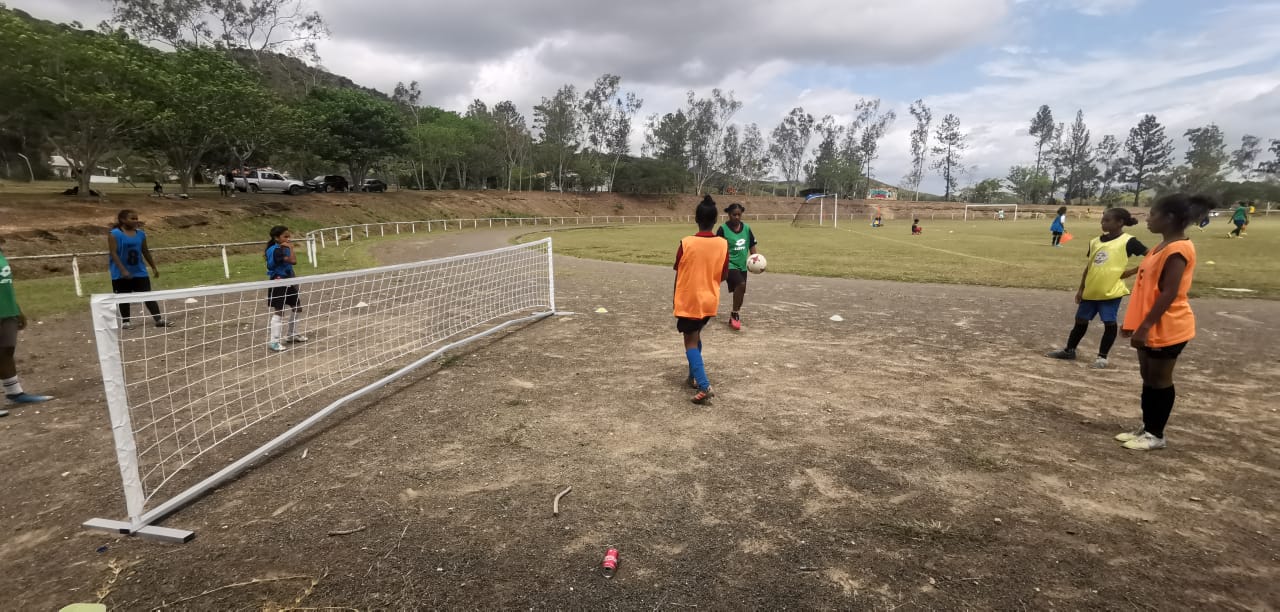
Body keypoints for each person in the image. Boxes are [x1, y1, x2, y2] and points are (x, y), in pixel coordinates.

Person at [1116, 193, 1215, 451]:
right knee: (1147, 376)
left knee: (1159, 379)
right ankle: (1148, 426)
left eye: (1153, 214)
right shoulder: (1161, 247)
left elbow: (1169, 292)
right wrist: (1133, 322)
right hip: (1149, 323)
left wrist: (1146, 326)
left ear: (1169, 218)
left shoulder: (1178, 249)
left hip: (1168, 325)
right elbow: (1145, 285)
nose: (1147, 219)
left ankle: (1156, 434)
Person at [1046, 208, 1148, 369]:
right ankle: (1069, 350)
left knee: (1109, 322)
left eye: (1107, 220)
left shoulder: (1129, 241)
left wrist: (1130, 272)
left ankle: (1102, 357)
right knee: (1080, 320)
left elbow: (1150, 256)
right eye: (1102, 220)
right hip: (1091, 290)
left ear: (1120, 222)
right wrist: (1081, 289)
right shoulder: (1095, 241)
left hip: (1110, 292)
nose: (1103, 223)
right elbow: (1089, 266)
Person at [674, 196, 728, 405]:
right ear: (715, 220)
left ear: (696, 218)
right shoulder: (722, 244)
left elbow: (678, 269)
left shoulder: (686, 243)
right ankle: (693, 376)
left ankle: (704, 385)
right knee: (695, 336)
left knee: (689, 341)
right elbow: (723, 274)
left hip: (689, 300)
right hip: (709, 299)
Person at [0, 244, 53, 415]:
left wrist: (17, 309)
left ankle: (14, 392)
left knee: (7, 351)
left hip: (7, 310)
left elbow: (6, 285)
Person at [107, 210, 171, 330]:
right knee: (123, 297)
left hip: (139, 271)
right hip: (121, 273)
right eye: (132, 219)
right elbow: (113, 253)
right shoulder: (114, 234)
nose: (136, 221)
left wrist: (153, 267)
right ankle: (126, 322)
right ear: (122, 220)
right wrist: (123, 270)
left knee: (147, 295)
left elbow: (145, 251)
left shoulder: (140, 234)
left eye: (137, 218)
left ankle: (159, 320)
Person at [715, 202, 757, 331]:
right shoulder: (723, 229)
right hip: (729, 264)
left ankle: (735, 312)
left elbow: (751, 245)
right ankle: (734, 315)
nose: (737, 217)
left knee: (741, 291)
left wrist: (756, 260)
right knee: (741, 284)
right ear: (729, 214)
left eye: (739, 214)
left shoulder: (747, 228)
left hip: (742, 265)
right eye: (734, 215)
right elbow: (716, 248)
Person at [265, 225, 307, 352]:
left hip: (288, 280)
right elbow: (293, 261)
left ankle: (292, 334)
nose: (288, 239)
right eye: (285, 236)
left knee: (297, 307)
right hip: (278, 281)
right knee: (279, 311)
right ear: (277, 238)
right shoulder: (277, 250)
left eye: (289, 236)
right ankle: (274, 341)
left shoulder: (282, 248)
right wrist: (291, 248)